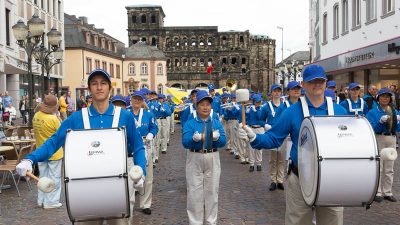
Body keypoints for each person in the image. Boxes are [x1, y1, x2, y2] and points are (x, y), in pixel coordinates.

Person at [16, 69, 146, 225]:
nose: (99, 87)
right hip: (85, 191)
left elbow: (138, 147)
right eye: (94, 84)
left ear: (109, 88)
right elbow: (54, 142)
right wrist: (30, 159)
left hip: (117, 188)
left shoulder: (124, 116)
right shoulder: (77, 118)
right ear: (89, 89)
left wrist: (141, 172)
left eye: (103, 83)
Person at [239, 64, 346, 225]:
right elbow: (274, 138)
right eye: (312, 81)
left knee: (332, 221)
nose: (317, 84)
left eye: (320, 81)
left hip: (332, 178)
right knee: (298, 221)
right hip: (300, 176)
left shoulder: (340, 111)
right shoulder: (292, 112)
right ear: (303, 85)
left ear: (325, 83)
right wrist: (255, 138)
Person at [182, 90, 226, 225]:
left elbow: (223, 141)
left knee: (212, 192)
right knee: (194, 193)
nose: (206, 107)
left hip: (212, 155)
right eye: (202, 104)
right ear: (197, 106)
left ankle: (211, 222)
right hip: (195, 156)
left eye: (208, 104)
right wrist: (194, 139)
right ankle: (195, 222)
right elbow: (185, 141)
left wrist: (216, 138)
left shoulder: (216, 122)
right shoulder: (190, 123)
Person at [366, 88, 400, 203]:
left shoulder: (394, 111)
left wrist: (398, 122)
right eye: (382, 96)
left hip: (391, 138)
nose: (385, 98)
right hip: (379, 138)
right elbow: (372, 128)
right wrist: (380, 122)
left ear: (390, 98)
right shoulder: (372, 112)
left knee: (389, 167)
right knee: (379, 166)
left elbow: (398, 128)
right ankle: (378, 191)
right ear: (378, 98)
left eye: (387, 96)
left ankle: (388, 191)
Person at [32, 94, 63, 209]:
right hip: (54, 153)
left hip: (41, 152)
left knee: (42, 177)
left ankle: (41, 200)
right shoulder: (53, 119)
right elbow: (62, 133)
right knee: (54, 178)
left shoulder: (36, 116)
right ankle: (51, 202)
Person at [130, 91, 158, 216]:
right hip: (130, 148)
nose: (136, 101)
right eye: (134, 99)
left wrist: (151, 134)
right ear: (131, 100)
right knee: (130, 175)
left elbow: (154, 126)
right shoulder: (126, 114)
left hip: (146, 146)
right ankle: (128, 202)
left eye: (139, 99)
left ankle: (145, 204)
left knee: (148, 177)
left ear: (142, 101)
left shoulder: (148, 114)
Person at [260, 84, 285, 190]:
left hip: (283, 134)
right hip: (272, 134)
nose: (277, 93)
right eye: (275, 91)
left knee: (282, 159)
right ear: (271, 93)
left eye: (279, 91)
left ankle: (280, 180)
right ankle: (273, 180)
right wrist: (265, 125)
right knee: (273, 159)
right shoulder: (266, 106)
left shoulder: (285, 105)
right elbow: (260, 119)